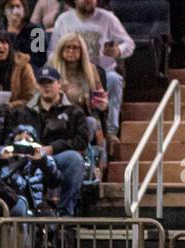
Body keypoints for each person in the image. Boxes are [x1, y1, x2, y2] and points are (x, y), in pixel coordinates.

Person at [48, 0, 131, 148]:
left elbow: (129, 44)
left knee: (114, 79)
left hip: (103, 71)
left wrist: (117, 51)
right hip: (68, 71)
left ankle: (111, 131)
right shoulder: (63, 19)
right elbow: (52, 50)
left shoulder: (108, 18)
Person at [11, 67, 89, 216]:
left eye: (50, 82)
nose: (46, 86)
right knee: (2, 155)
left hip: (59, 158)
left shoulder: (74, 112)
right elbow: (13, 134)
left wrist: (52, 148)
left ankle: (65, 213)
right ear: (37, 86)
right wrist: (19, 138)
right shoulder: (24, 112)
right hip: (29, 158)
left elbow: (81, 140)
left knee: (74, 159)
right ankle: (20, 209)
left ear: (59, 84)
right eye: (42, 83)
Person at [49, 31, 109, 157]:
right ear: (61, 49)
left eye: (76, 47)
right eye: (68, 47)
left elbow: (102, 99)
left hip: (82, 120)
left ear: (82, 51)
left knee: (92, 123)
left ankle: (96, 166)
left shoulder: (91, 70)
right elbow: (40, 96)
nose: (71, 50)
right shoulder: (52, 67)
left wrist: (102, 103)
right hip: (57, 119)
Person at [0, 123, 60, 215]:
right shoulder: (3, 160)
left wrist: (42, 160)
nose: (23, 143)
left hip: (37, 211)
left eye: (28, 140)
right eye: (19, 139)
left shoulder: (43, 159)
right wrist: (0, 157)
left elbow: (55, 182)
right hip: (11, 210)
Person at [0, 28, 36, 109]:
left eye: (4, 42)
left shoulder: (23, 67)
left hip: (17, 112)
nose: (0, 46)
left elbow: (30, 97)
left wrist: (11, 105)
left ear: (10, 47)